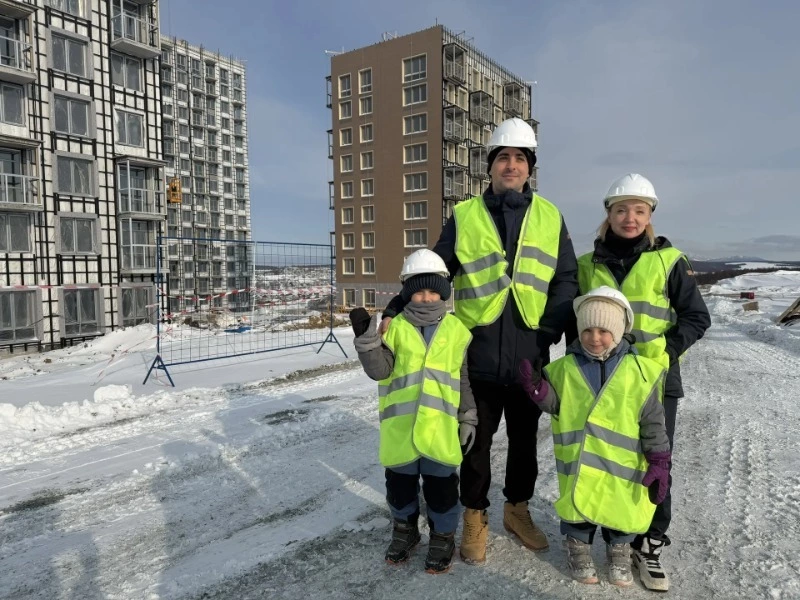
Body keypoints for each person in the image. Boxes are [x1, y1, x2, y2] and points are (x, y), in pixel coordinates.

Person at [381, 117, 578, 563]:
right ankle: (474, 514)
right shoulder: (466, 215)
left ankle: (517, 509)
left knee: (526, 443)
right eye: (503, 158)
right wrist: (396, 307)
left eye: (520, 159)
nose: (511, 165)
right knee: (474, 442)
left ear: (530, 168)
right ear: (489, 166)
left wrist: (548, 331)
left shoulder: (550, 216)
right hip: (477, 353)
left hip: (530, 352)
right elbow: (435, 267)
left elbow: (566, 278)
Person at [574, 173, 711, 591]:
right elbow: (572, 322)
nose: (629, 218)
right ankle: (609, 533)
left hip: (655, 383)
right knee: (606, 458)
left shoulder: (669, 261)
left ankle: (647, 547)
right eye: (621, 210)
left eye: (638, 210)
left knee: (656, 461)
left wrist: (664, 355)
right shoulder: (586, 266)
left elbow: (696, 318)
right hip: (599, 381)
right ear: (608, 214)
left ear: (650, 215)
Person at [518, 286, 671, 586]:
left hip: (622, 466)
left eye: (603, 330)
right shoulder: (563, 369)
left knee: (622, 509)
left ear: (618, 331)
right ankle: (579, 548)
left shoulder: (640, 372)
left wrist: (659, 460)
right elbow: (556, 404)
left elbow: (653, 421)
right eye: (587, 329)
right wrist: (539, 390)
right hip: (579, 462)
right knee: (577, 508)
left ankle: (619, 551)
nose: (594, 337)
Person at [350, 249, 478, 574]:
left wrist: (468, 417)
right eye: (418, 291)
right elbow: (380, 371)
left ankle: (442, 536)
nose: (425, 298)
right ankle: (405, 531)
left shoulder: (457, 331)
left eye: (432, 290)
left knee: (442, 491)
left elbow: (461, 379)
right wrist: (367, 343)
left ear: (444, 292)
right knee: (399, 489)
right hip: (400, 432)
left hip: (440, 433)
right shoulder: (393, 328)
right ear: (407, 293)